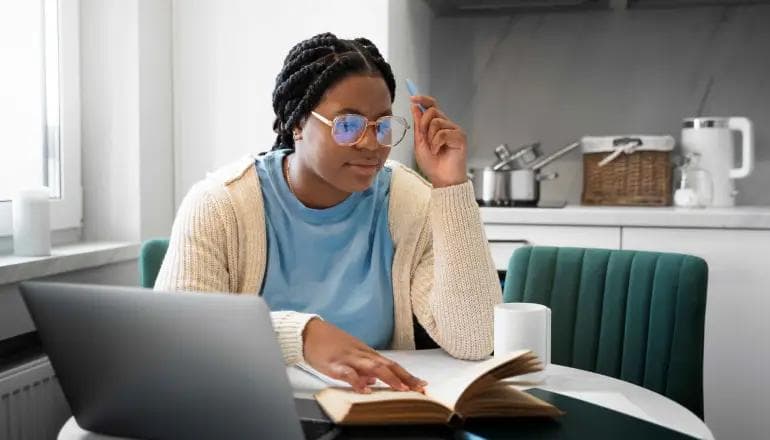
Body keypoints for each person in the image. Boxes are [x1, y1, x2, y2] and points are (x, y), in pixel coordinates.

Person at [155, 33, 501, 394]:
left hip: (373, 412)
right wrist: (299, 335)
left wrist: (451, 186)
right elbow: (177, 338)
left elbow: (475, 339)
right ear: (298, 123)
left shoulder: (407, 201)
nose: (370, 144)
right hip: (253, 410)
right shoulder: (220, 204)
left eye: (382, 125)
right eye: (348, 125)